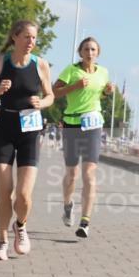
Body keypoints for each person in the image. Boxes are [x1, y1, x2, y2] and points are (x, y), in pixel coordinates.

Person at [0, 20, 55, 261]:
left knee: (23, 196)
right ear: (15, 37)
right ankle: (2, 242)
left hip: (30, 131)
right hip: (5, 130)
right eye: (27, 37)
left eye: (34, 38)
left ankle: (20, 225)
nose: (31, 42)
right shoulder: (0, 64)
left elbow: (50, 95)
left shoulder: (40, 65)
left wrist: (42, 103)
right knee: (4, 191)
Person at [53, 37, 113, 239]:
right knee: (72, 174)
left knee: (89, 174)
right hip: (72, 124)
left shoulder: (103, 72)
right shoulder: (71, 70)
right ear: (80, 52)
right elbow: (54, 92)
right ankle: (67, 205)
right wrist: (75, 86)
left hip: (94, 125)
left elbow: (100, 94)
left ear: (98, 53)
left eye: (93, 49)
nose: (90, 52)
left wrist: (107, 91)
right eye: (86, 49)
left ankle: (85, 222)